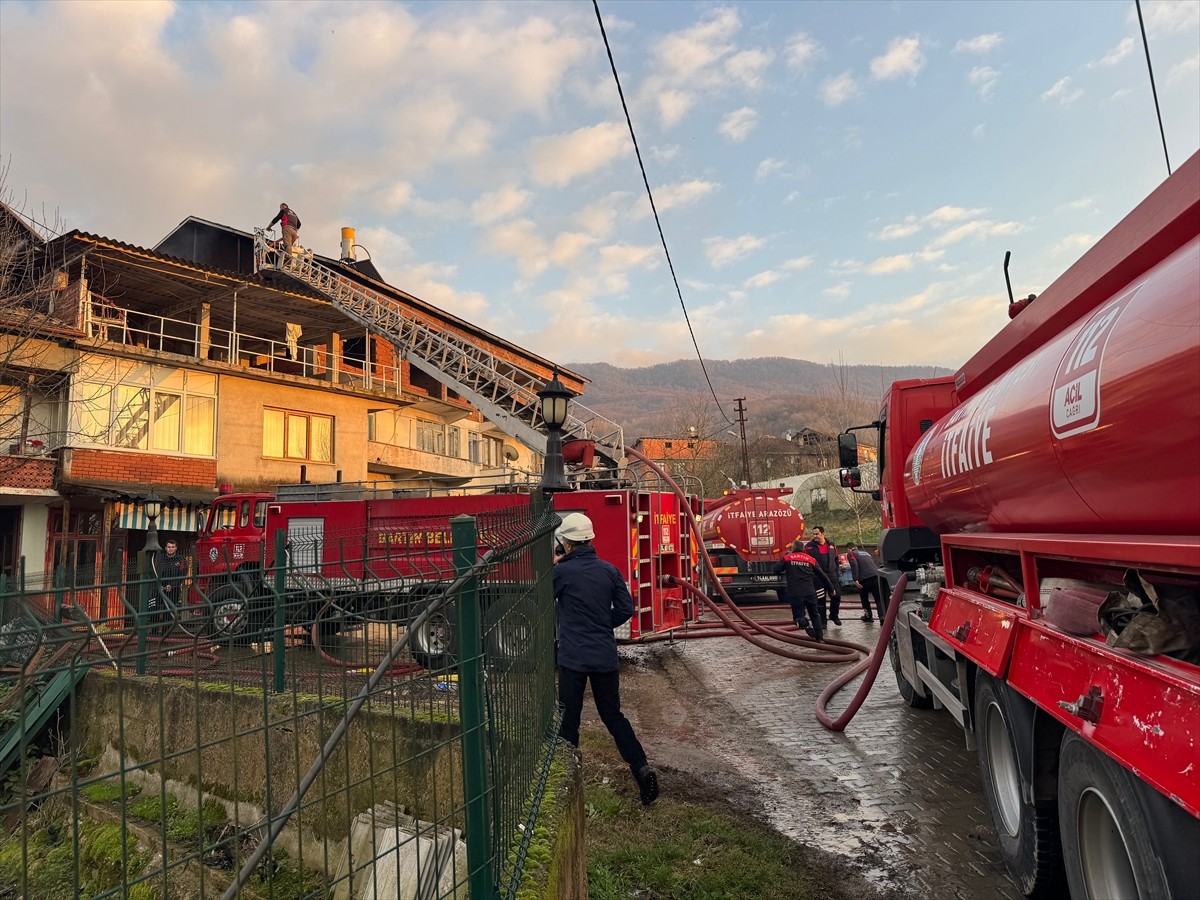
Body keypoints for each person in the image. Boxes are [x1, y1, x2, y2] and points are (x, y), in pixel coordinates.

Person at [553, 512, 659, 806]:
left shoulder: (562, 573)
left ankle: (567, 781)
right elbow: (626, 609)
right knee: (613, 716)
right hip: (603, 655)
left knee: (569, 718)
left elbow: (544, 598)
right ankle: (641, 768)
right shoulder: (609, 571)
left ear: (568, 543)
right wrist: (602, 623)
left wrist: (555, 567)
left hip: (572, 657)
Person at [772, 539, 837, 643]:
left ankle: (805, 624)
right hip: (810, 592)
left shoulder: (787, 558)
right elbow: (823, 575)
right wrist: (831, 589)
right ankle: (820, 638)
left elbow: (775, 569)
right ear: (803, 549)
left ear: (792, 548)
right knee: (815, 615)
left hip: (795, 593)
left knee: (798, 616)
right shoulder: (811, 559)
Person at [804, 526, 841, 627]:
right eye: (813, 534)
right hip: (817, 577)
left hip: (831, 575)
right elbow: (806, 562)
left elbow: (836, 559)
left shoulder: (831, 545)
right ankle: (823, 621)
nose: (815, 536)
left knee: (836, 597)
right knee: (820, 600)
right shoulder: (809, 547)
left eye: (817, 534)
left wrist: (837, 572)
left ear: (823, 534)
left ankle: (834, 615)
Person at [153, 539, 189, 632]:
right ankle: (153, 633)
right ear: (165, 548)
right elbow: (154, 572)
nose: (170, 549)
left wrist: (172, 585)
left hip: (173, 590)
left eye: (173, 547)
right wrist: (159, 585)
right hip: (159, 588)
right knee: (154, 610)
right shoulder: (160, 559)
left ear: (176, 548)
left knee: (168, 613)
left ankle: (165, 634)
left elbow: (182, 574)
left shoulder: (181, 560)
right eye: (169, 547)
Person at [847, 542, 888, 623]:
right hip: (875, 576)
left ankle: (868, 616)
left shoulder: (851, 553)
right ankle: (882, 616)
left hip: (864, 579)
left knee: (864, 598)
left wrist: (855, 579)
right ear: (856, 547)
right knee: (878, 598)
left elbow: (854, 565)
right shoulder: (866, 553)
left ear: (849, 549)